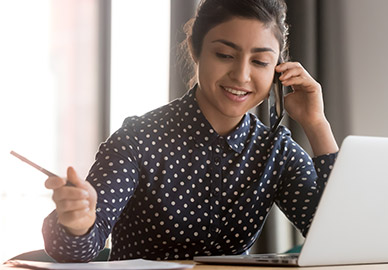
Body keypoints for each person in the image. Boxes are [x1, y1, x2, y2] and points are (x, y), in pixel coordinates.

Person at [42, 0, 339, 262]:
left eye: (260, 61)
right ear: (196, 50)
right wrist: (78, 224)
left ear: (278, 69)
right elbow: (77, 249)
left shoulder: (276, 151)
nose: (241, 75)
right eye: (224, 54)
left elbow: (337, 239)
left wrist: (316, 124)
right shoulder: (137, 140)